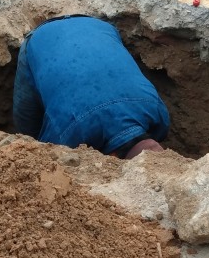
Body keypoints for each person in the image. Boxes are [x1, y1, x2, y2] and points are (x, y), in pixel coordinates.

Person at [12, 15, 170, 159]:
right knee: (29, 132)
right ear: (113, 157)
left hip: (98, 27)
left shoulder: (157, 112)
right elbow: (48, 157)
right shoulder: (67, 134)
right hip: (39, 41)